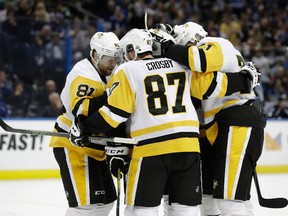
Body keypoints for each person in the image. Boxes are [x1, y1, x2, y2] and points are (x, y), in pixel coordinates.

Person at [69, 28, 260, 216]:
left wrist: (84, 128)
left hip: (151, 150)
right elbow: (212, 87)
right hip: (189, 149)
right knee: (186, 210)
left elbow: (114, 115)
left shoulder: (128, 70)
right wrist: (245, 79)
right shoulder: (183, 66)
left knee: (141, 210)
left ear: (132, 50)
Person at [153, 22, 266, 216]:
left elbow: (200, 65)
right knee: (210, 199)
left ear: (193, 38)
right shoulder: (205, 69)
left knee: (230, 202)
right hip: (223, 129)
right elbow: (200, 91)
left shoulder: (215, 42)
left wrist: (167, 48)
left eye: (183, 46)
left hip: (237, 124)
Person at [49, 31, 122, 216]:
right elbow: (81, 110)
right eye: (108, 58)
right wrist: (110, 95)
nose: (113, 63)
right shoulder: (83, 74)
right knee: (84, 207)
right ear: (95, 55)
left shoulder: (110, 72)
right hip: (73, 144)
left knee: (105, 203)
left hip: (95, 146)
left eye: (116, 58)